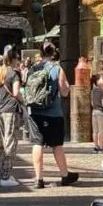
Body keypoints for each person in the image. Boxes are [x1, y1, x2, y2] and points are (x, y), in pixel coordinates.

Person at [25, 41, 79, 190]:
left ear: (40, 53)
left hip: (35, 112)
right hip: (54, 113)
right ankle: (64, 174)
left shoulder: (33, 68)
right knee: (56, 145)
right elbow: (64, 91)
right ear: (53, 53)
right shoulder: (57, 68)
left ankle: (38, 179)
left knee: (37, 144)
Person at [0, 49, 23, 188]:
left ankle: (6, 173)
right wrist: (24, 100)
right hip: (10, 110)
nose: (19, 61)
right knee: (10, 142)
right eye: (17, 58)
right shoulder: (14, 73)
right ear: (13, 60)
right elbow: (16, 93)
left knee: (5, 141)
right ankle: (5, 175)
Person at [90, 74, 103, 152]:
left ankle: (95, 146)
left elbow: (92, 103)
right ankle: (101, 146)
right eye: (101, 79)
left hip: (94, 111)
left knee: (95, 131)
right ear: (97, 81)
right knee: (101, 131)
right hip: (100, 111)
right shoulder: (101, 90)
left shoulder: (92, 91)